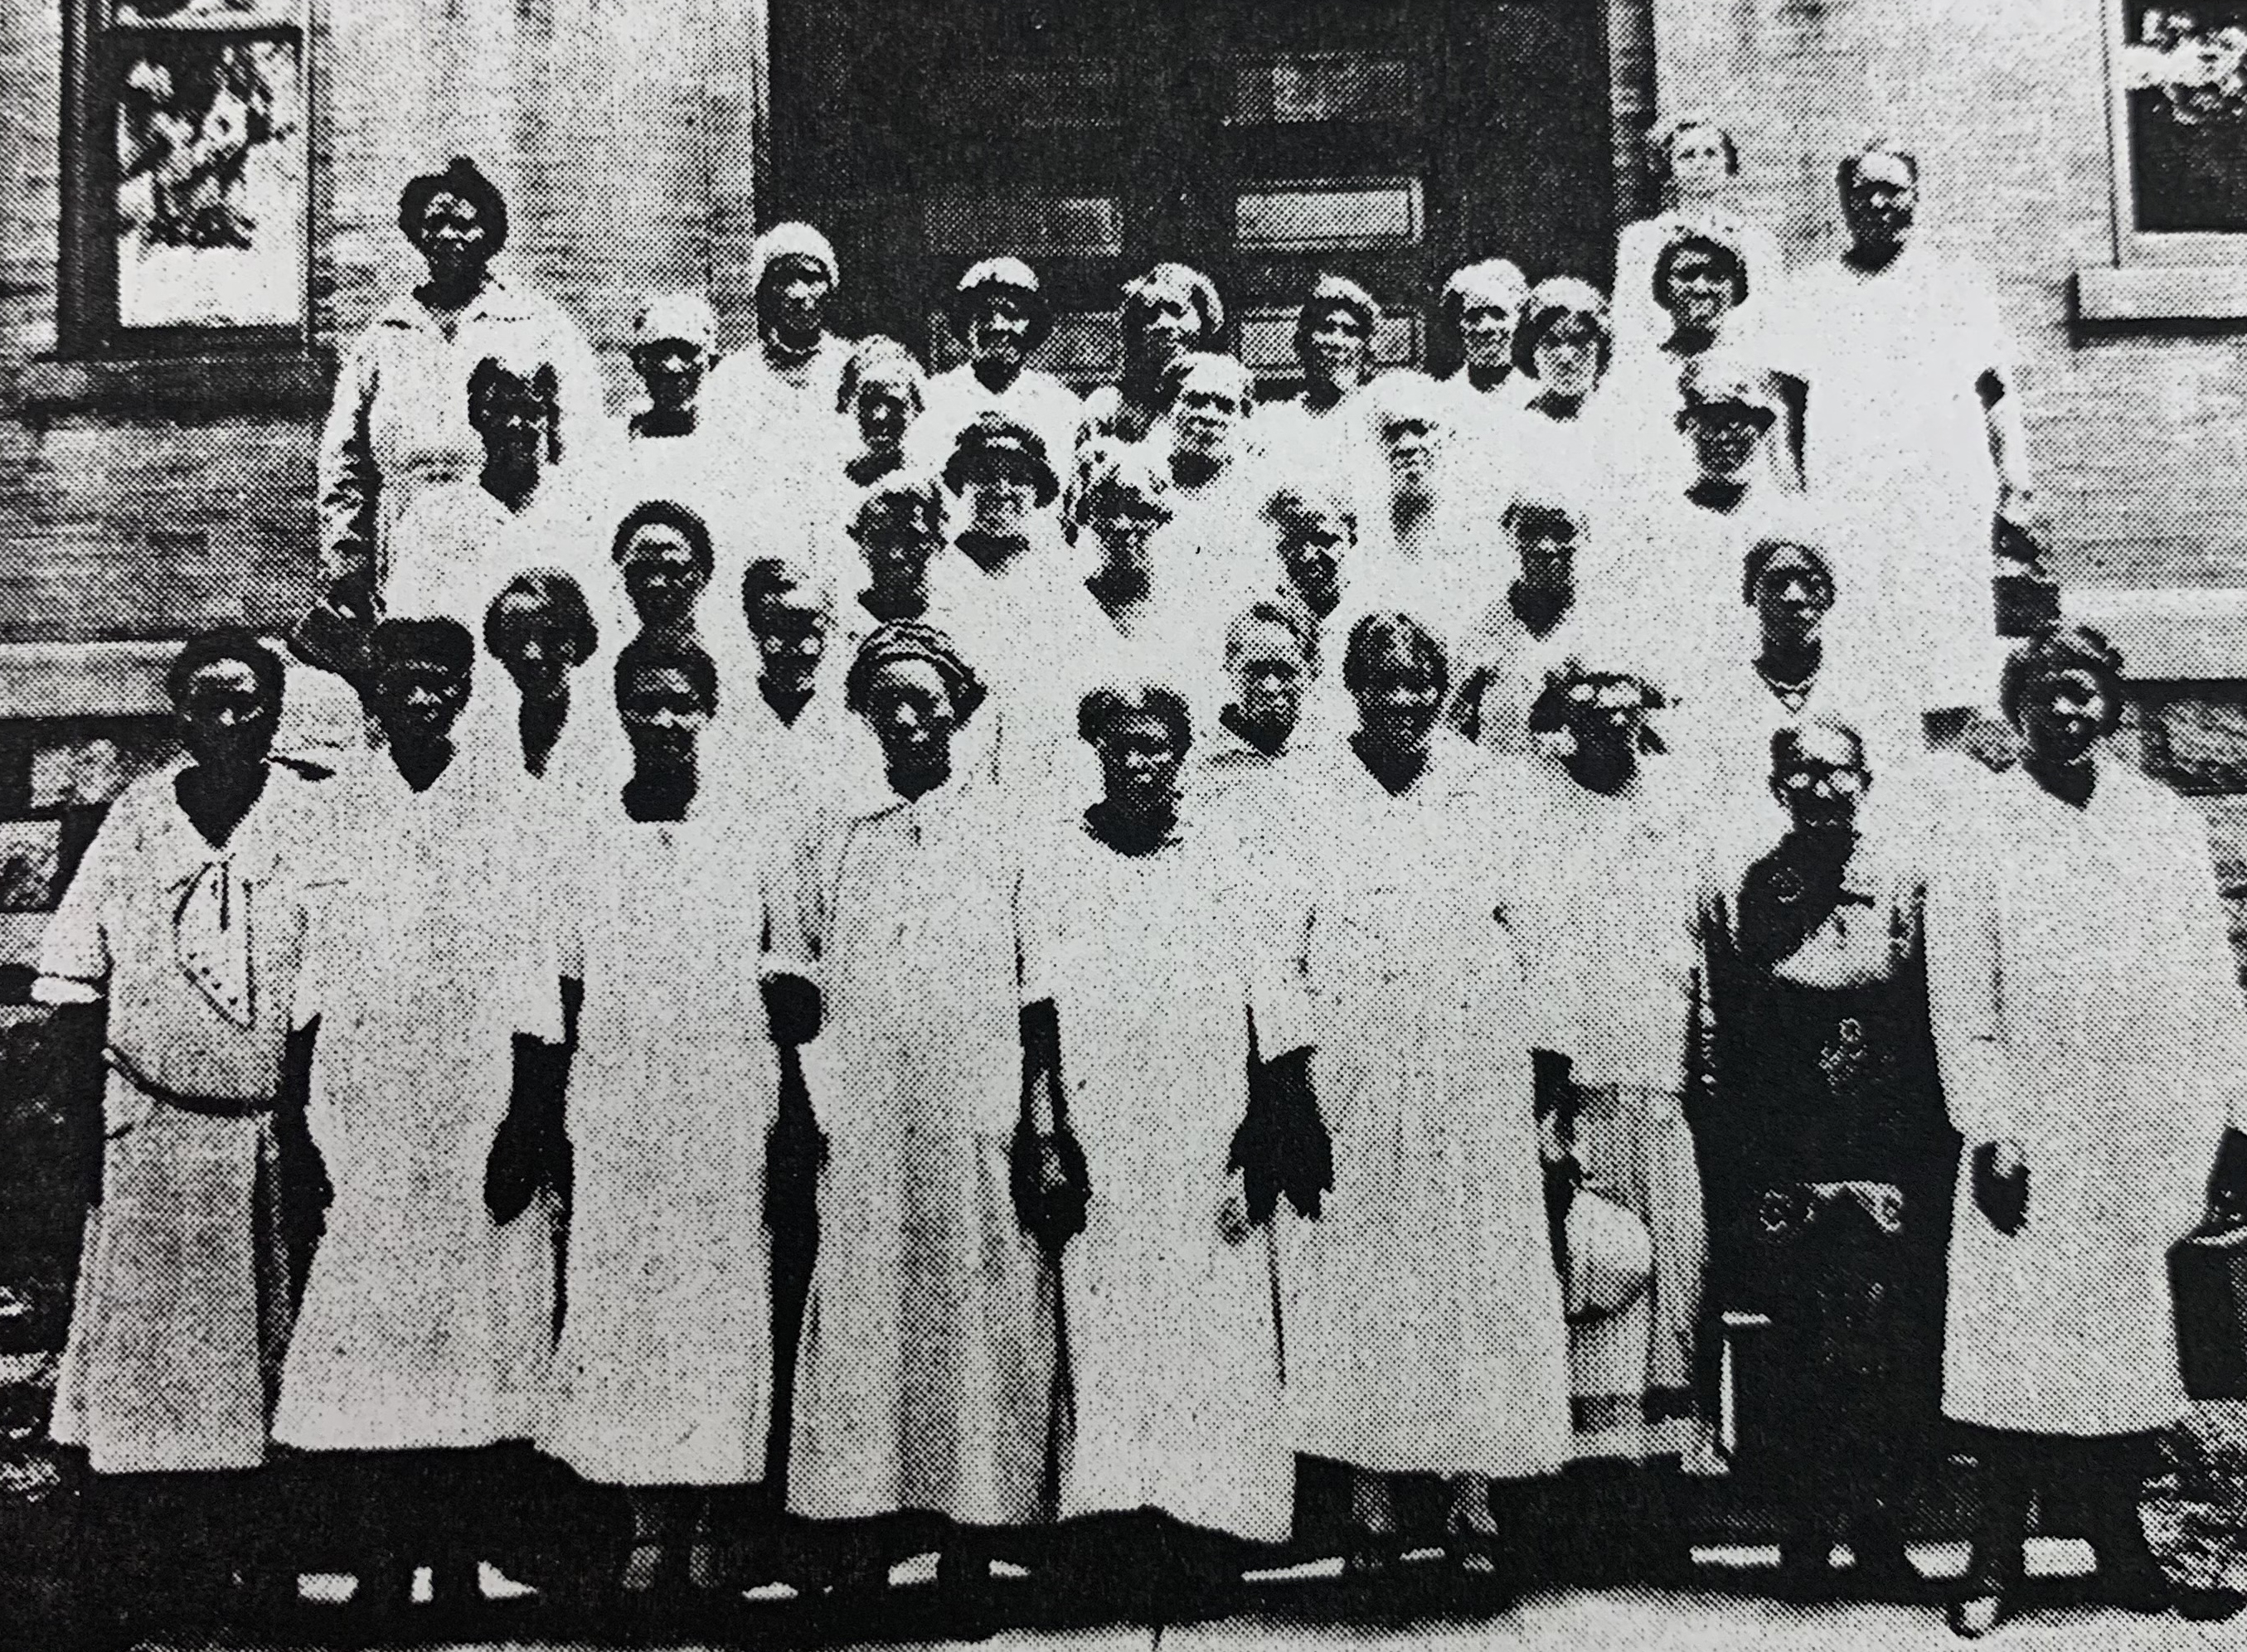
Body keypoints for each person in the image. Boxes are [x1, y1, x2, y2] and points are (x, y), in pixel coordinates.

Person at [1929, 627, 2247, 1636]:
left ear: (2110, 705)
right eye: (2046, 694)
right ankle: (1993, 1559)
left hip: (2138, 1122)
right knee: (2012, 1341)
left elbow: (2209, 983)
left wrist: (2230, 1121)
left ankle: (2121, 1545)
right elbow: (1961, 1000)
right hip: (2028, 1124)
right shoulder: (1977, 824)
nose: (2068, 712)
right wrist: (1990, 1128)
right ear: (2014, 706)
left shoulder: (2158, 821)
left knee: (2122, 1348)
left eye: (2086, 695)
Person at [1276, 613, 1573, 1590]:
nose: (1401, 701)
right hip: (1354, 1062)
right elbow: (1277, 946)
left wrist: (1546, 1094)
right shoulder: (1308, 787)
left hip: (1473, 1063)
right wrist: (1291, 1080)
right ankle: (1370, 1497)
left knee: (1472, 1270)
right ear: (1351, 687)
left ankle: (1471, 1492)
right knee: (1365, 1269)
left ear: (1442, 687)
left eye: (1418, 682)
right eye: (1381, 682)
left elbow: (1542, 940)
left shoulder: (1492, 787)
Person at [38, 632, 326, 1635]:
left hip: (262, 1136)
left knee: (259, 1367)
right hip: (149, 1134)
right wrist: (83, 1125)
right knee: (148, 1366)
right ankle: (142, 1576)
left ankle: (249, 1576)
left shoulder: (311, 818)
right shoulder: (137, 820)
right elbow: (75, 974)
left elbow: (334, 983)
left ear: (276, 713)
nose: (232, 720)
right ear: (182, 715)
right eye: (209, 702)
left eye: (250, 702)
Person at [274, 618, 561, 1619]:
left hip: (475, 1096)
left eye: (443, 679)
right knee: (375, 1330)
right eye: (404, 679)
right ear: (378, 690)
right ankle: (383, 1564)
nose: (423, 696)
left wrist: (527, 1117)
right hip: (365, 1098)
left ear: (467, 690)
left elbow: (536, 978)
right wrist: (301, 1118)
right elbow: (308, 980)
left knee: (473, 1329)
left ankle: (459, 1565)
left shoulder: (513, 809)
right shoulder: (334, 810)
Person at [1012, 682, 1314, 1614]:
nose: (1140, 763)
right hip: (1104, 1135)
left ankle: (1205, 1534)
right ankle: (1115, 1534)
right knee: (1104, 1331)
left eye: (1158, 747)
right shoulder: (1057, 861)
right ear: (1094, 750)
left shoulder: (1227, 858)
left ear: (1183, 753)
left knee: (1212, 1333)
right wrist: (1050, 1130)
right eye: (1120, 746)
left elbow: (1275, 1011)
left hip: (1204, 1131)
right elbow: (1038, 1016)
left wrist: (1257, 1140)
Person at [772, 624, 1050, 1608]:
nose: (905, 716)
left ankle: (971, 1540)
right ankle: (857, 1533)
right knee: (863, 1309)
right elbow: (792, 970)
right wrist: (812, 1100)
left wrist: (1039, 1121)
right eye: (885, 699)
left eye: (923, 699)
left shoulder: (1009, 826)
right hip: (865, 1111)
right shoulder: (833, 828)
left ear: (957, 709)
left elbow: (1036, 986)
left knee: (975, 1313)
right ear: (863, 713)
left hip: (976, 1104)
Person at [1686, 719, 1958, 1601]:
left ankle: (1879, 1526)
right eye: (1797, 773)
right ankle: (1802, 1531)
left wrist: (1919, 1152)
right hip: (1785, 1151)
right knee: (1795, 1342)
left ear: (1865, 780)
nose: (1818, 787)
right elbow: (1726, 1026)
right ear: (1776, 788)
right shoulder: (1752, 892)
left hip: (1884, 1146)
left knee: (1884, 1339)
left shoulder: (1904, 886)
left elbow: (1930, 1021)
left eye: (1834, 772)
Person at [538, 637, 778, 1601]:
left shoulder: (754, 832)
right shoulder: (585, 833)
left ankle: (713, 1518)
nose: (667, 722)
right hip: (620, 1100)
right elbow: (559, 982)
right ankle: (645, 1521)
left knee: (723, 1295)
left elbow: (789, 971)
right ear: (622, 714)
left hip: (725, 1097)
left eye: (684, 704)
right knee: (627, 1299)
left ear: (711, 713)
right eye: (647, 705)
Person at [1762, 140, 2033, 761]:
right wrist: (1792, 499)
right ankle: (1871, 787)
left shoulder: (1957, 285)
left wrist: (2015, 483)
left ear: (1916, 197)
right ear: (1844, 202)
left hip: (1942, 495)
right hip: (1850, 498)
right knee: (1860, 645)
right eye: (1865, 192)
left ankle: (1943, 791)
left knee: (1946, 653)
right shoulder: (1812, 292)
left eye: (1894, 190)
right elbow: (1784, 407)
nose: (1880, 203)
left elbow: (1996, 391)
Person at [318, 158, 604, 627]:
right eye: (435, 225)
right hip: (408, 539)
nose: (448, 237)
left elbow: (581, 444)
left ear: (489, 235)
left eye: (463, 225)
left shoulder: (536, 324)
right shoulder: (386, 334)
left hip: (512, 530)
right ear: (416, 235)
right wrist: (347, 560)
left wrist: (574, 541)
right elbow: (346, 462)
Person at [1595, 357, 1788, 699]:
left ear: (1759, 429)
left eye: (1738, 422)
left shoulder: (1784, 523)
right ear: (1688, 427)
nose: (1724, 437)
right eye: (1710, 422)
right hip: (1681, 692)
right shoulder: (1657, 523)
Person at [381, 351, 604, 631]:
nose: (514, 424)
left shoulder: (580, 512)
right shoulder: (436, 516)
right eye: (500, 410)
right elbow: (409, 616)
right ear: (476, 418)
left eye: (529, 411)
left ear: (549, 418)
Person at [1603, 220, 1769, 487]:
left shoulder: (1756, 371)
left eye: (1717, 275)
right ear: (1664, 287)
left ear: (1736, 287)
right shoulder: (1641, 374)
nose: (1701, 288)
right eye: (1687, 274)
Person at [1614, 116, 1784, 361]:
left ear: (1728, 163)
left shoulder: (1756, 241)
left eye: (1711, 153)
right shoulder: (1642, 240)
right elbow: (1630, 316)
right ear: (1668, 166)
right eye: (1688, 155)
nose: (1701, 164)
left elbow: (1767, 315)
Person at [609, 294, 745, 584]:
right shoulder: (611, 450)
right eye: (660, 353)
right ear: (638, 362)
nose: (672, 367)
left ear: (711, 362)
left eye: (687, 352)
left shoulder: (734, 448)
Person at [708, 221, 853, 489]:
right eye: (784, 280)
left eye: (811, 279)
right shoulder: (734, 377)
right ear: (765, 293)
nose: (799, 293)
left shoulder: (853, 367)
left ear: (830, 288)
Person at [1449, 496, 1594, 755]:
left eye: (1562, 531)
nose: (1546, 546)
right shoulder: (1481, 631)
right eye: (1531, 531)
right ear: (1510, 537)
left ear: (1584, 534)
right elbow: (1450, 728)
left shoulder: (1610, 630)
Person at [915, 259, 1082, 478]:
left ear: (1032, 325)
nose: (998, 326)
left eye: (1012, 315)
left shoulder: (1060, 404)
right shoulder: (934, 399)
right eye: (983, 315)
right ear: (966, 325)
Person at [473, 569, 613, 801]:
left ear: (578, 642)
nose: (533, 654)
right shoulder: (479, 742)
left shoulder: (608, 742)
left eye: (552, 636)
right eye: (517, 637)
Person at [1153, 352, 1270, 611]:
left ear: (1244, 418)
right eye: (1195, 402)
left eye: (1226, 406)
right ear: (1168, 409)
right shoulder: (1141, 489)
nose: (1209, 416)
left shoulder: (1263, 498)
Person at [1077, 261, 1226, 453]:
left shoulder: (1221, 401)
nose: (1162, 324)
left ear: (1202, 320)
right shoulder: (1109, 407)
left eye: (1175, 310)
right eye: (1150, 315)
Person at [1255, 274, 1382, 495]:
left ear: (1367, 349)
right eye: (1326, 328)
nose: (1337, 343)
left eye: (1350, 332)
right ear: (1303, 342)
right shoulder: (1275, 424)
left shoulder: (1379, 421)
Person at [1196, 601, 1322, 802]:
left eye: (1285, 672)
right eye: (1256, 672)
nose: (1271, 688)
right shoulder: (1199, 766)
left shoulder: (1328, 763)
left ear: (1310, 674)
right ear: (1230, 670)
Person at [1506, 278, 1619, 503]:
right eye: (1551, 342)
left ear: (1600, 348)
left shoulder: (1615, 427)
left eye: (1579, 341)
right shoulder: (1514, 431)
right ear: (1531, 349)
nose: (1566, 357)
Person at [1430, 258, 1532, 433]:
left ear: (1519, 321)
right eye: (1473, 317)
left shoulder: (1536, 398)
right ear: (1459, 326)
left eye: (1498, 314)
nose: (1485, 327)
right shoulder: (1440, 403)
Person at [836, 335, 927, 490]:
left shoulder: (929, 487)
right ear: (848, 406)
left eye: (894, 405)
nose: (880, 416)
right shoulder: (829, 482)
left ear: (914, 409)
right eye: (869, 403)